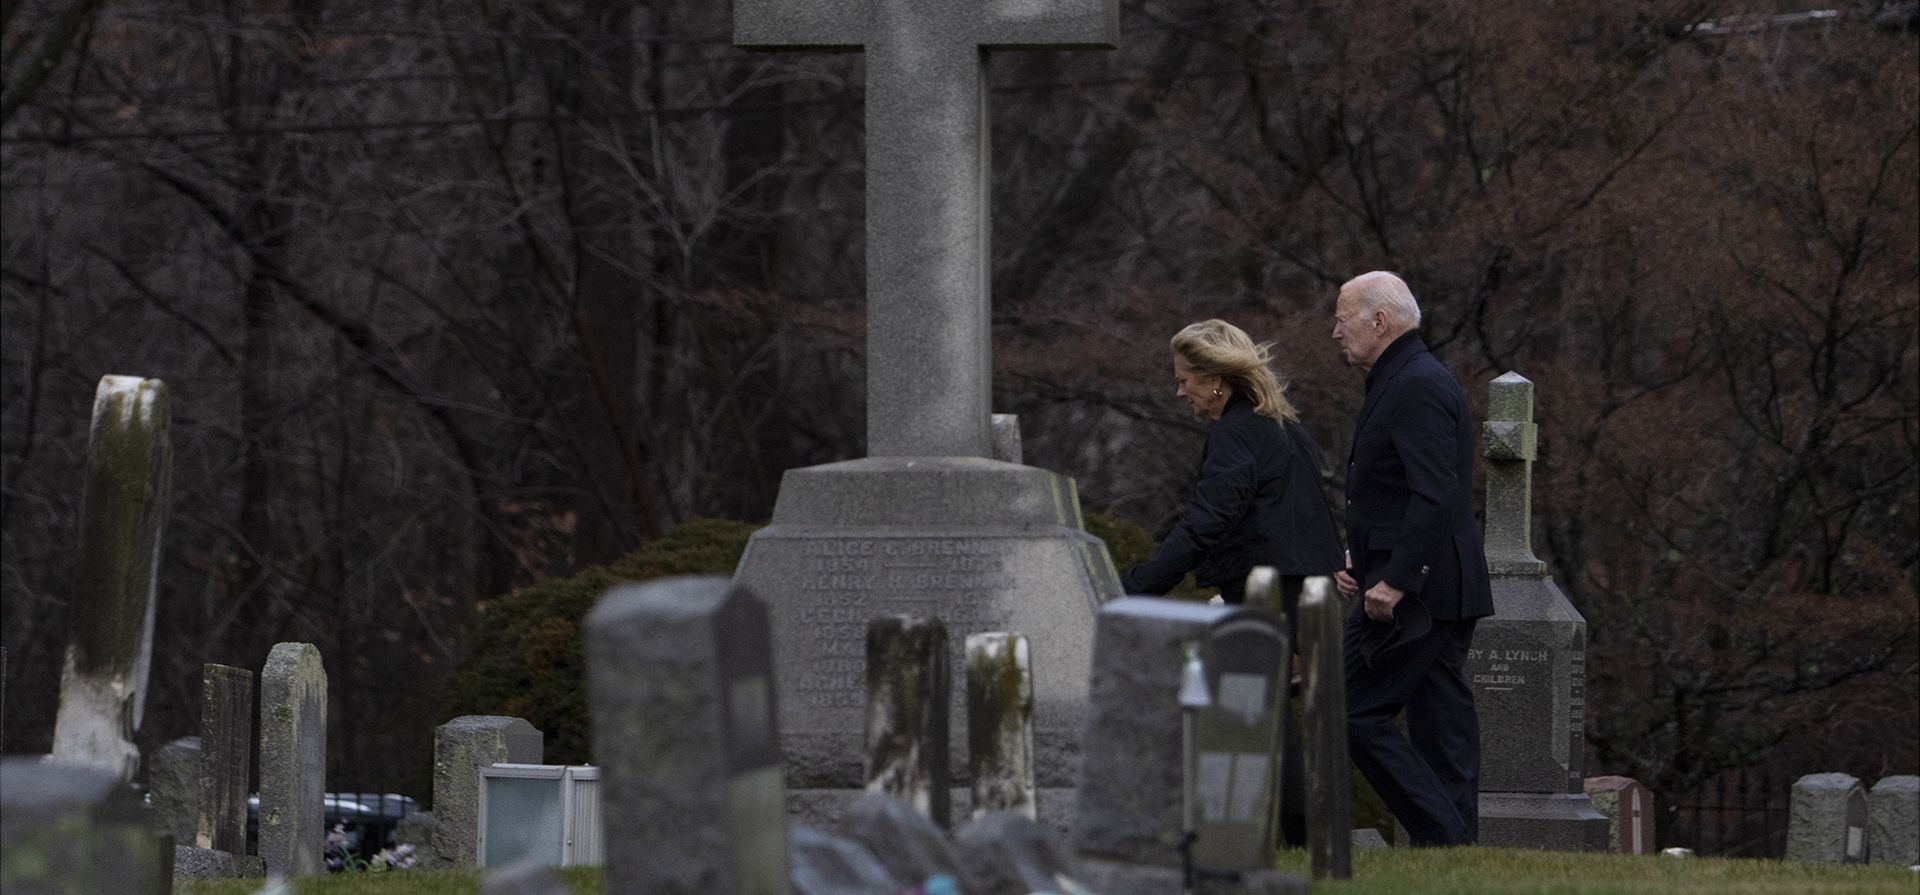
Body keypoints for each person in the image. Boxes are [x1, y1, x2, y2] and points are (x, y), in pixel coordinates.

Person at [1119, 318, 1345, 847]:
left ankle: (1298, 836)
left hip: (1268, 588)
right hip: (1304, 586)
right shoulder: (1283, 428)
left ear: (1217, 379)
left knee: (1266, 716)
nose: (1180, 392)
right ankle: (1297, 835)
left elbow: (1207, 521)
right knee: (1274, 713)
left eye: (1186, 380)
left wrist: (1138, 584)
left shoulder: (1236, 434)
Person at [1330, 271, 1495, 847]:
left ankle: (1445, 839)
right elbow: (1400, 492)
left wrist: (1397, 579)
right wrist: (1364, 552)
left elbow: (1436, 492)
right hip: (1434, 581)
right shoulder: (1405, 377)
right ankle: (1454, 856)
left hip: (1418, 591)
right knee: (1441, 723)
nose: (1334, 332)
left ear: (1380, 322)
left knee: (1348, 709)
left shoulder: (1415, 383)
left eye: (1342, 318)